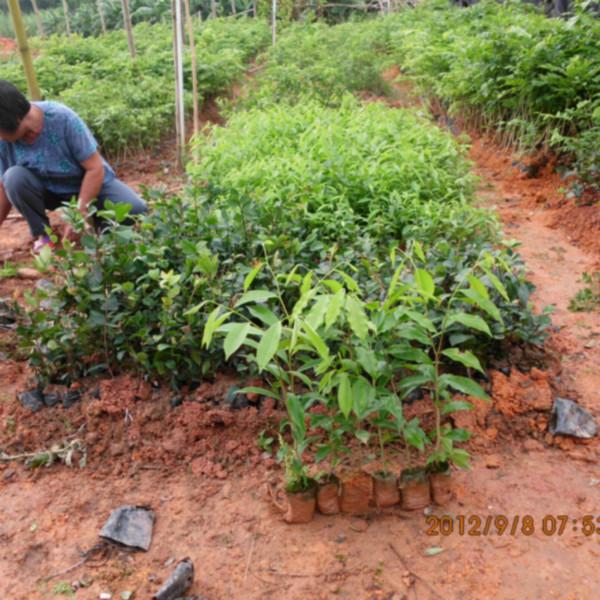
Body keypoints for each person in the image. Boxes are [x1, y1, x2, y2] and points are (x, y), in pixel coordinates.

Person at [0, 80, 147, 251]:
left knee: (135, 209)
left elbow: (95, 168)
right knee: (13, 177)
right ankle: (45, 236)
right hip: (48, 191)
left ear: (15, 119)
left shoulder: (61, 118)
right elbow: (4, 187)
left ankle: (101, 226)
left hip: (90, 184)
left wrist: (79, 214)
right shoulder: (4, 142)